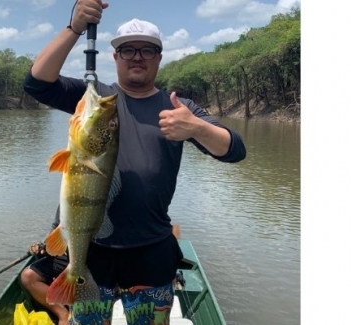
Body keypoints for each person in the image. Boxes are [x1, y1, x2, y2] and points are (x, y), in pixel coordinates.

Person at [23, 1, 246, 324]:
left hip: (152, 252)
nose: (137, 57)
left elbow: (235, 150)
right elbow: (37, 84)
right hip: (93, 251)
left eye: (147, 50)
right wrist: (74, 29)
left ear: (159, 57)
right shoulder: (96, 99)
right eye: (128, 50)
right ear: (115, 57)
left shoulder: (178, 108)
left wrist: (197, 128)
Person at [20, 208, 70, 325]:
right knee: (28, 276)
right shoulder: (67, 198)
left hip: (91, 256)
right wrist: (43, 247)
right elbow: (56, 227)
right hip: (65, 254)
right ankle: (63, 314)